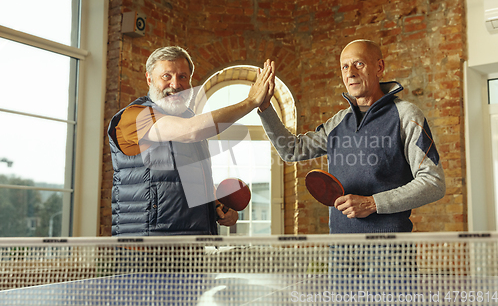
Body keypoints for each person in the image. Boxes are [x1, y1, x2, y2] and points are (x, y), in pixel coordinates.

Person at [258, 39, 445, 234]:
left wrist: (373, 203)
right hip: (342, 251)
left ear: (379, 67)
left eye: (359, 64)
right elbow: (291, 150)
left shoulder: (406, 115)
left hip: (389, 254)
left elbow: (433, 182)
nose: (350, 73)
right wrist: (265, 108)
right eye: (344, 67)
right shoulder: (339, 121)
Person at [108, 46, 273, 236]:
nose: (175, 85)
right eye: (166, 76)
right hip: (146, 247)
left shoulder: (191, 122)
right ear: (149, 78)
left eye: (183, 77)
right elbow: (190, 131)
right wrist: (250, 102)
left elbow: (194, 179)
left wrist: (218, 207)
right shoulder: (135, 116)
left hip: (192, 245)